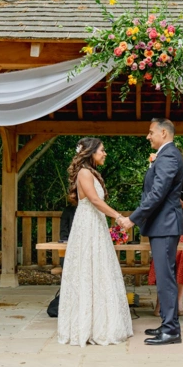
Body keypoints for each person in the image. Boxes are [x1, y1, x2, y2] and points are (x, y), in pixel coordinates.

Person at [57, 137, 133, 347]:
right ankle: (87, 326)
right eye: (102, 150)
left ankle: (101, 322)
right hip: (88, 225)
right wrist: (118, 217)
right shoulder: (83, 173)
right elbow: (95, 200)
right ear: (90, 152)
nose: (104, 153)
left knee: (100, 271)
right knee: (88, 271)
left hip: (95, 224)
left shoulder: (90, 173)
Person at [121, 118, 183, 346]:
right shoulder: (166, 155)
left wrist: (133, 219)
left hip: (165, 225)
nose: (148, 136)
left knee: (166, 278)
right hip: (162, 225)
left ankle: (171, 330)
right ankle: (168, 325)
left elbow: (157, 194)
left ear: (164, 133)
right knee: (164, 277)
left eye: (150, 133)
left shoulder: (168, 156)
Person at [148, 172, 183, 316]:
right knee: (162, 259)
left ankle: (179, 301)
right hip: (163, 223)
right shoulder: (157, 176)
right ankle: (160, 301)